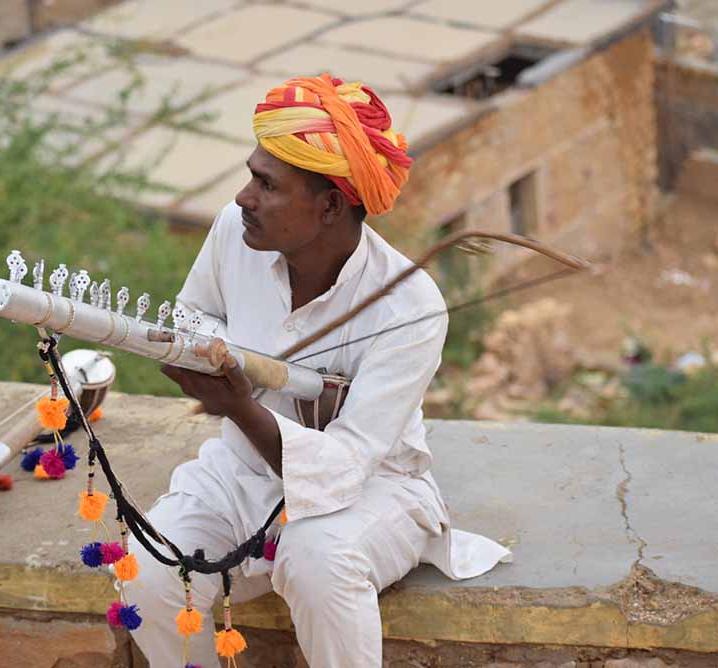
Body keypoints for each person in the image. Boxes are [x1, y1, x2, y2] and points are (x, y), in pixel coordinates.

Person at [128, 74, 510, 668]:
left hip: (376, 489)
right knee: (150, 570)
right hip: (242, 471)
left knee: (316, 559)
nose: (242, 198)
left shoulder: (411, 307)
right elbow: (193, 311)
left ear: (330, 204)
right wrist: (209, 352)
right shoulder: (237, 232)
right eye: (251, 175)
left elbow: (346, 466)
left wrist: (238, 403)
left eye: (266, 185)